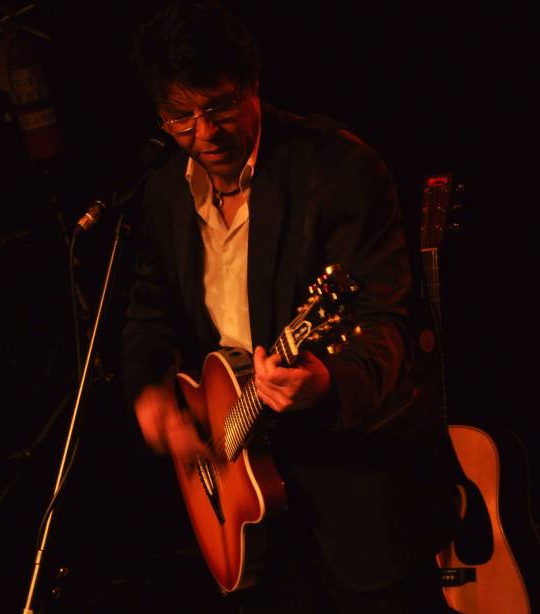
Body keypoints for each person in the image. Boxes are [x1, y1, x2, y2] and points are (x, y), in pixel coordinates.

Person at [121, 1, 459, 612]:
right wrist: (152, 394)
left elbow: (386, 326)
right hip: (246, 506)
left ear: (252, 85)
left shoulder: (339, 171)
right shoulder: (164, 190)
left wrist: (324, 381)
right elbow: (148, 314)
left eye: (219, 107)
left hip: (360, 501)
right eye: (180, 118)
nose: (204, 134)